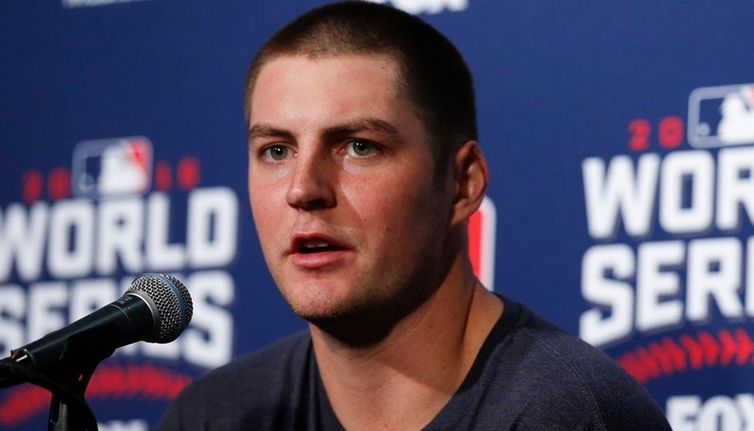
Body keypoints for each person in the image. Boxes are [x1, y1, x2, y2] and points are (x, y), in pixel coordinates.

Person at [158, 2, 671, 429]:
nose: (303, 188)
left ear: (462, 184)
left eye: (359, 146)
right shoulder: (217, 416)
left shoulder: (565, 415)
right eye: (275, 150)